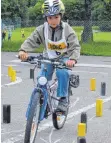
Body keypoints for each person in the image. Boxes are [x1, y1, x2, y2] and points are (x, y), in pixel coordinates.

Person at [18, 0, 81, 118]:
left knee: (63, 72)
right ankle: (41, 100)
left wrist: (73, 59)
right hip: (48, 57)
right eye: (50, 18)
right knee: (42, 78)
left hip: (64, 57)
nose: (53, 20)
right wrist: (23, 51)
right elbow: (32, 40)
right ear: (46, 17)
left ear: (61, 16)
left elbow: (75, 46)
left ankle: (63, 99)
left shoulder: (67, 29)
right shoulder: (42, 29)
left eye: (56, 17)